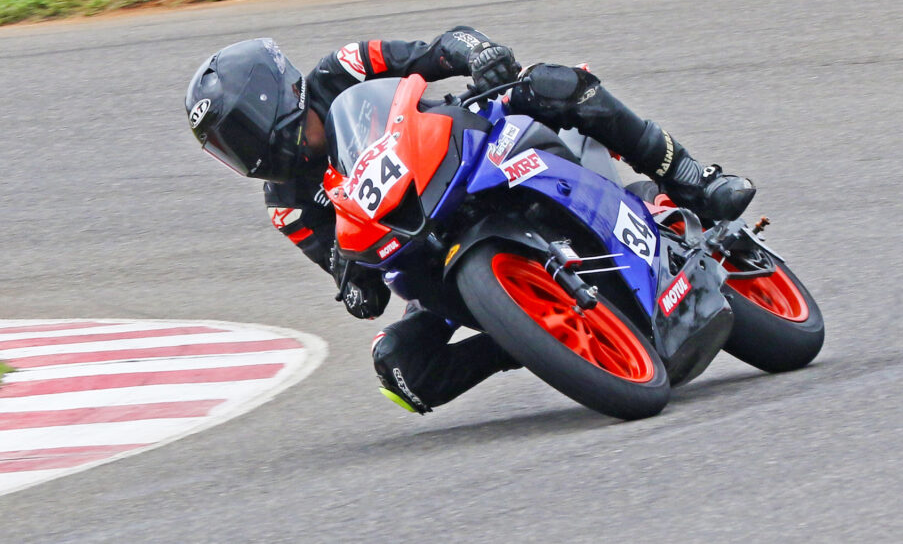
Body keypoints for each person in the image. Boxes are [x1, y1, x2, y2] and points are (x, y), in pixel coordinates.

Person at [184, 27, 754, 414]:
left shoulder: (341, 68)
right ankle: (533, 334)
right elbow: (344, 267)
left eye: (240, 130)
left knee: (556, 83)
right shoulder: (286, 204)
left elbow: (438, 49)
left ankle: (692, 178)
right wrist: (351, 281)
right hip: (426, 252)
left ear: (274, 95)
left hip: (467, 151)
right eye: (226, 146)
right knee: (403, 375)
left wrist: (476, 53)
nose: (244, 150)